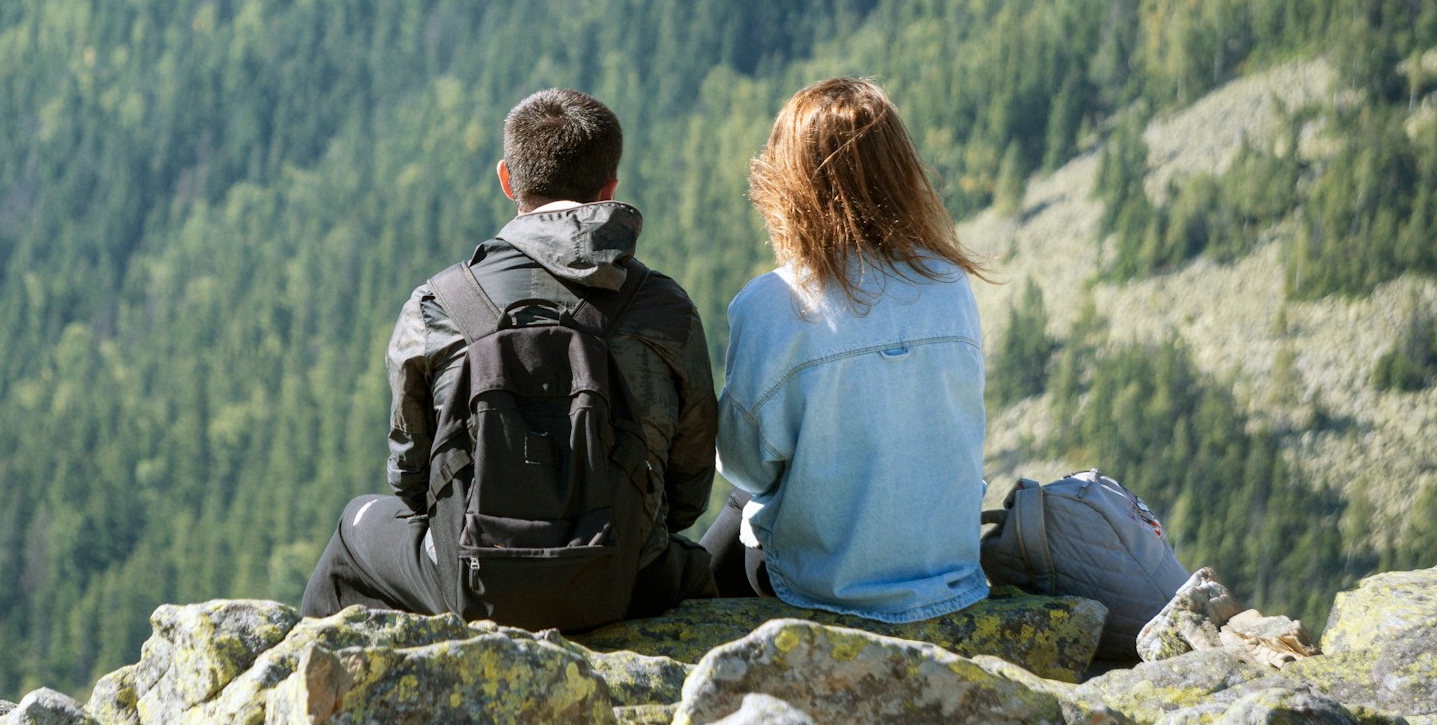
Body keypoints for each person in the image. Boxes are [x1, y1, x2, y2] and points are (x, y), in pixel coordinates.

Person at [302, 88, 719, 627]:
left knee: (352, 526)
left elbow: (409, 478)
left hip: (471, 583)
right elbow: (688, 495)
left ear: (507, 179)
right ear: (609, 189)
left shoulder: (438, 306)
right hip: (627, 581)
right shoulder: (666, 310)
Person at [700, 76, 992, 622]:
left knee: (737, 516)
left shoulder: (775, 302)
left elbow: (745, 465)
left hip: (822, 586)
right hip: (948, 574)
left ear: (790, 184)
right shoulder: (951, 283)